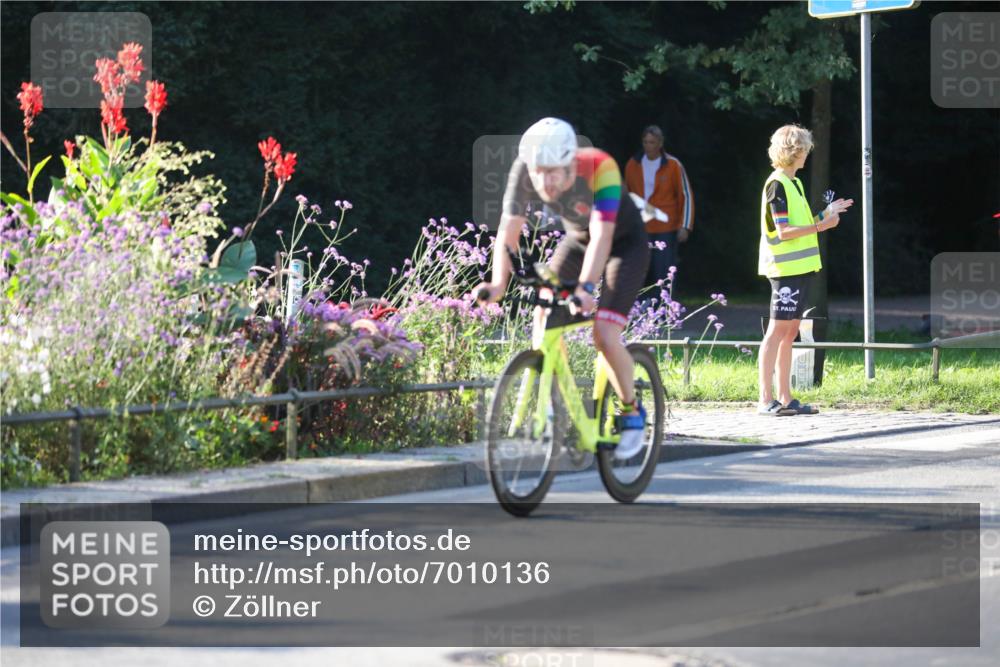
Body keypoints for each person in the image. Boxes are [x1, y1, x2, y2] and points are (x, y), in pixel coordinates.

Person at [473, 118, 651, 459]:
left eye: (552, 172)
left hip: (624, 246)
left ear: (570, 163)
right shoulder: (524, 170)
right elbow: (508, 233)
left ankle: (631, 412)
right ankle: (553, 400)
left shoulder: (600, 168)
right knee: (543, 310)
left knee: (604, 334)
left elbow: (602, 237)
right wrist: (497, 284)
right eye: (538, 172)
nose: (544, 182)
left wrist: (585, 288)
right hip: (579, 241)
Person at [757, 124, 853, 416]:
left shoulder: (794, 183)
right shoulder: (777, 184)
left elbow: (801, 224)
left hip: (800, 269)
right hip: (784, 270)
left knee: (790, 333)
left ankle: (786, 398)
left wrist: (825, 214)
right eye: (805, 149)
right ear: (794, 151)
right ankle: (765, 400)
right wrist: (822, 225)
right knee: (776, 332)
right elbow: (784, 231)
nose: (808, 154)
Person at [623, 125, 694, 289]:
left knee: (664, 272)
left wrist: (685, 226)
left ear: (660, 143)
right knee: (638, 271)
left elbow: (685, 195)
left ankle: (665, 305)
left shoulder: (673, 165)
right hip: (641, 225)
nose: (648, 146)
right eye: (645, 142)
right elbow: (628, 196)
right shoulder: (632, 165)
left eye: (652, 142)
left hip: (665, 227)